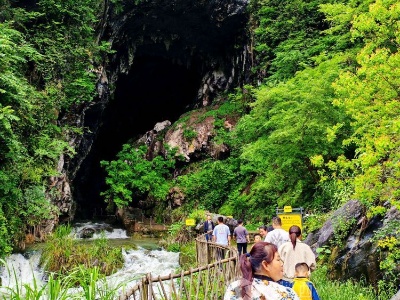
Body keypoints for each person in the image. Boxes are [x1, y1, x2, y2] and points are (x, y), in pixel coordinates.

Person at [224, 242, 299, 300]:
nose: (281, 264)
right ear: (265, 265)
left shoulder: (234, 288)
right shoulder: (286, 294)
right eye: (278, 260)